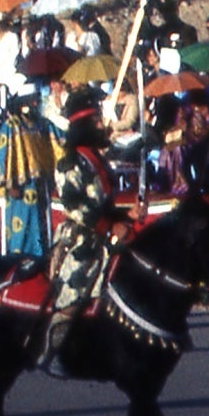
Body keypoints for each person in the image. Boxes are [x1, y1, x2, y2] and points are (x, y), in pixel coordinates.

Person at [41, 92, 127, 371]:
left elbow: (103, 202)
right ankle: (52, 352)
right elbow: (74, 204)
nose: (103, 125)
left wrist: (125, 215)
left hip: (105, 233)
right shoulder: (69, 162)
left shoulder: (97, 160)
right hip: (81, 237)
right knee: (74, 291)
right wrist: (109, 224)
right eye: (97, 121)